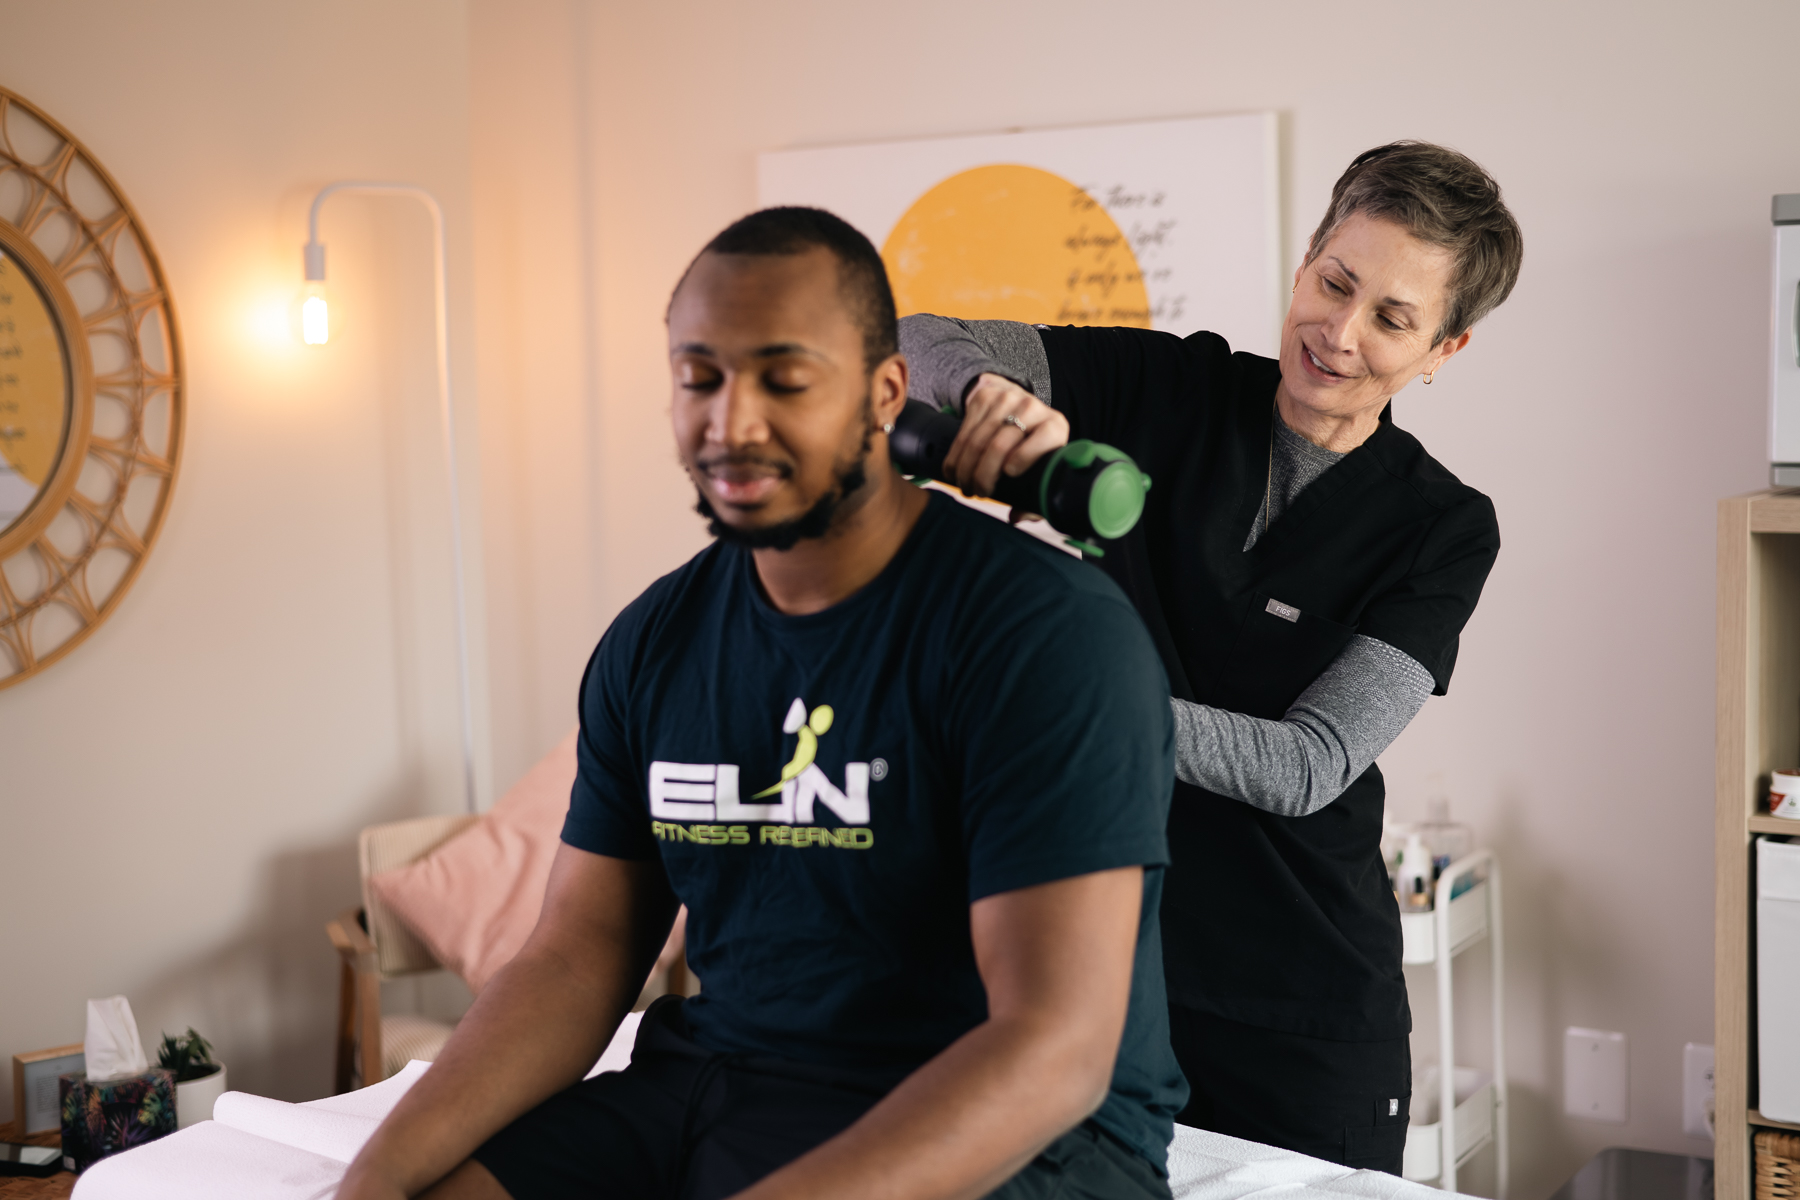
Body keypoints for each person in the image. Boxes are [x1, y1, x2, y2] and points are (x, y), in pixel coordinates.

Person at [334, 206, 1187, 1200]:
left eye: (784, 379)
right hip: (723, 1081)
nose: (730, 420)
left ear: (885, 393)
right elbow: (576, 959)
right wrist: (372, 1185)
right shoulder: (654, 644)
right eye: (700, 376)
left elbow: (1052, 1048)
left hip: (1026, 1130)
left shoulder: (1044, 636)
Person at [899, 141, 1521, 1174]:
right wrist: (987, 401)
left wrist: (1075, 702)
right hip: (1095, 975)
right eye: (1335, 283)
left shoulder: (1443, 527)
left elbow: (1307, 765)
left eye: (1393, 319)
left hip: (1303, 1006)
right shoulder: (1166, 388)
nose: (1341, 332)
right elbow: (919, 338)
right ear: (1306, 262)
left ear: (1443, 351)